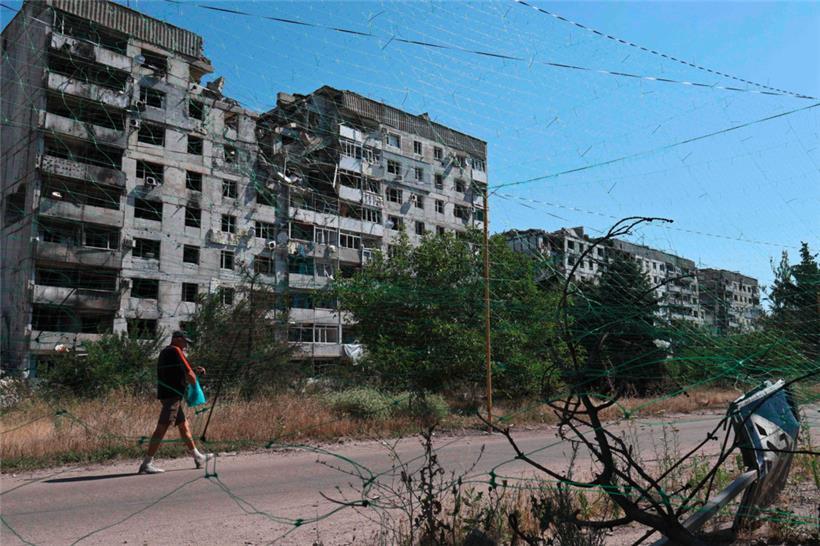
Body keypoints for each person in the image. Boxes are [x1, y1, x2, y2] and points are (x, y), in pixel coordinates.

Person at [139, 331, 213, 474]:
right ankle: (146, 464)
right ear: (177, 340)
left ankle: (198, 457)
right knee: (162, 427)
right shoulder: (175, 350)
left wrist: (193, 372)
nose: (186, 345)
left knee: (183, 425)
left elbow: (179, 373)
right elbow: (189, 375)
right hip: (172, 397)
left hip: (168, 395)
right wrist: (195, 388)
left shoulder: (165, 352)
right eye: (185, 342)